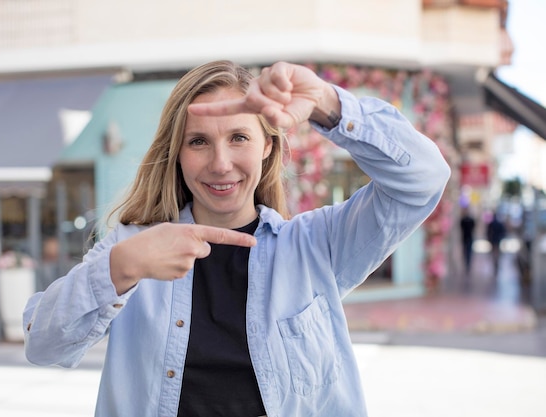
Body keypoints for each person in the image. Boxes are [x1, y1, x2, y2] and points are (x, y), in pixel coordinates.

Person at [23, 60, 450, 417]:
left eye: (239, 137)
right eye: (199, 142)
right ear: (177, 153)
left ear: (268, 146)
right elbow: (42, 344)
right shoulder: (133, 247)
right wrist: (121, 267)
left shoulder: (316, 246)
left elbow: (424, 178)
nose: (220, 163)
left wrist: (326, 103)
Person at [459, 206, 476, 273]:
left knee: (468, 251)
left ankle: (468, 264)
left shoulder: (469, 220)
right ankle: (466, 263)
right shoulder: (463, 220)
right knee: (466, 251)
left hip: (469, 238)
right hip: (465, 238)